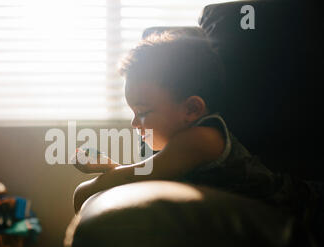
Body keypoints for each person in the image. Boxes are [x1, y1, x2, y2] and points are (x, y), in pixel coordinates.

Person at [72, 31, 311, 220]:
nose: (135, 123)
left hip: (306, 209)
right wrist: (111, 167)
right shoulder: (178, 146)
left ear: (191, 110)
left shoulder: (202, 138)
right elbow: (144, 177)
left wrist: (90, 188)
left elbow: (139, 178)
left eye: (143, 112)